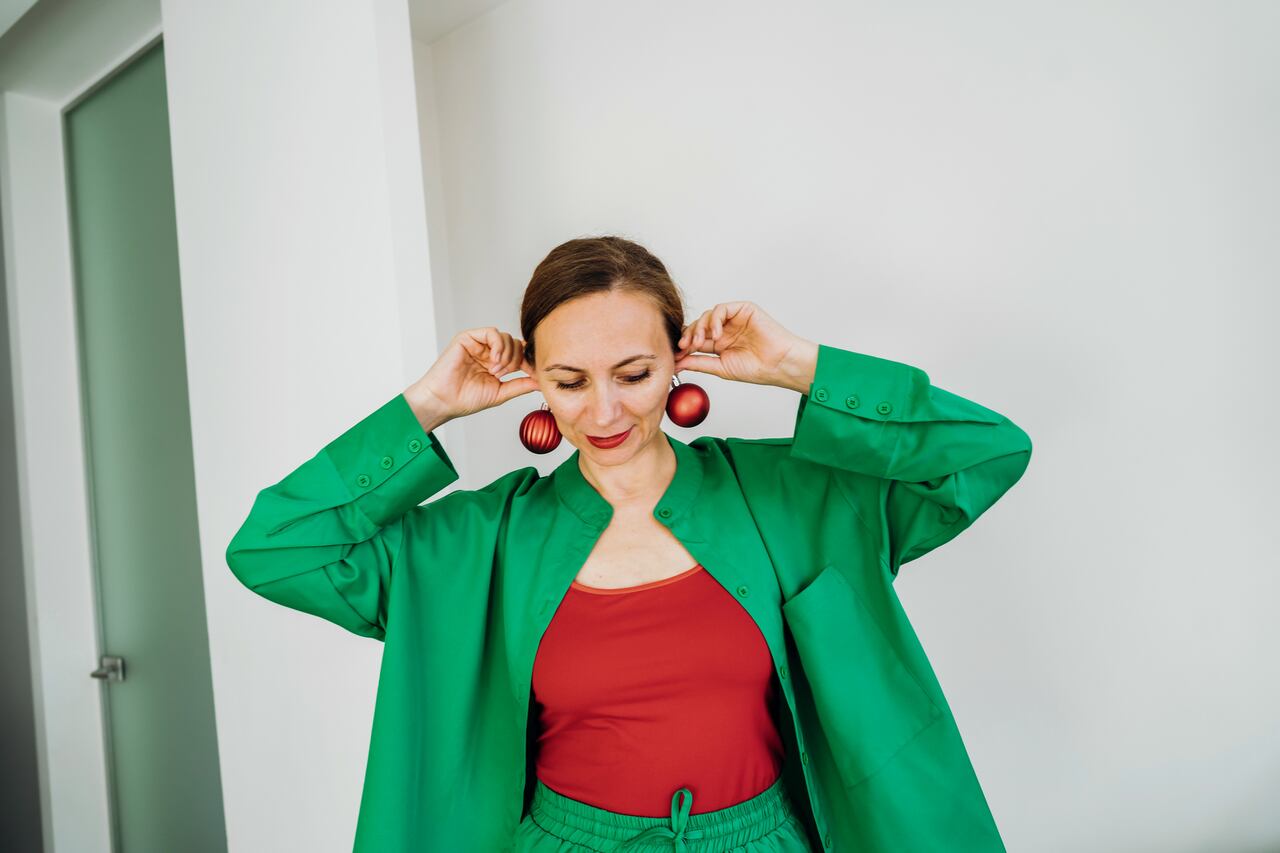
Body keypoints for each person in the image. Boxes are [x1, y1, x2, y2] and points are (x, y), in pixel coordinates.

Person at [226, 235, 1033, 852]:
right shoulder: (477, 544)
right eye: (569, 380)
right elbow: (274, 547)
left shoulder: (793, 496)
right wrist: (427, 406)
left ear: (679, 362)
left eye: (633, 373)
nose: (603, 411)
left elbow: (988, 453)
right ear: (535, 379)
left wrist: (798, 366)